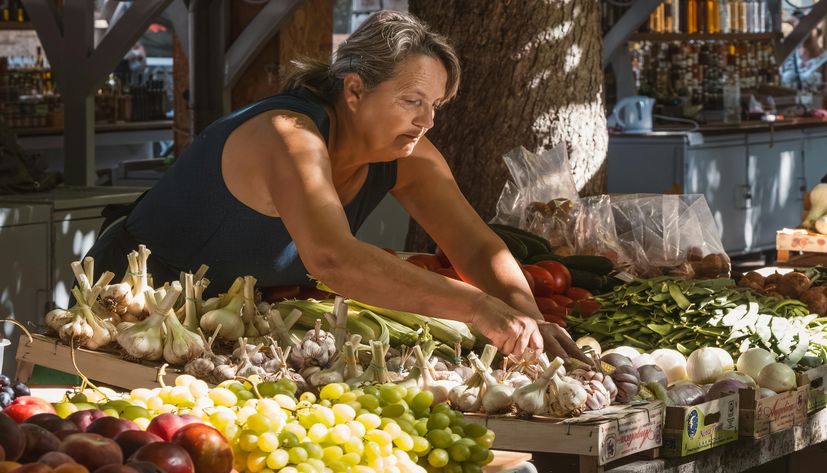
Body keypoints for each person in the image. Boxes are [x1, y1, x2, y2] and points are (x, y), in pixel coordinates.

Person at [84, 11, 584, 359]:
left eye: (435, 106)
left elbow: (476, 248)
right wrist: (479, 309)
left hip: (227, 328)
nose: (427, 121)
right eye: (412, 100)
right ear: (354, 89)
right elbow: (333, 259)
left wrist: (528, 319)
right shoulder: (289, 136)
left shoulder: (405, 152)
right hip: (131, 315)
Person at [781, 12, 827, 94]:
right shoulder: (789, 56)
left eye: (807, 29)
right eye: (797, 29)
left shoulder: (824, 60)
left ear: (815, 31)